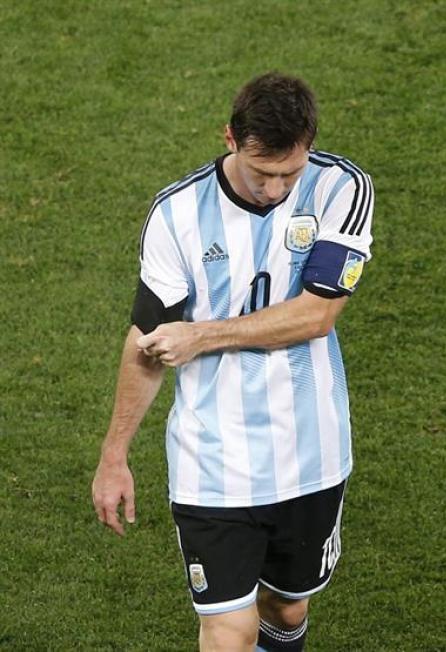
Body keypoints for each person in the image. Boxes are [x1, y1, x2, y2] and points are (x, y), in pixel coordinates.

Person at [92, 72, 374, 652]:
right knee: (227, 631)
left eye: (288, 173)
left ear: (310, 146)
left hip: (311, 453)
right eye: (260, 171)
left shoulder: (342, 190)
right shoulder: (176, 215)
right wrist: (114, 454)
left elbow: (315, 316)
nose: (274, 189)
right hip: (211, 460)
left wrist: (200, 336)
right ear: (229, 138)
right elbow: (146, 341)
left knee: (287, 610)